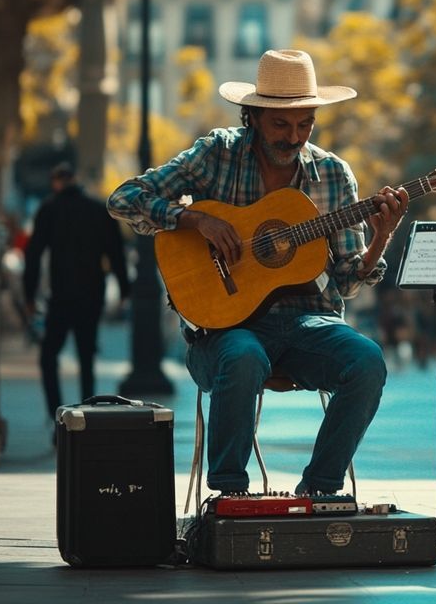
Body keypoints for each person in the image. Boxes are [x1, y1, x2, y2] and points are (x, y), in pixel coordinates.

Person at [107, 49, 408, 496]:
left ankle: (319, 491)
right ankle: (230, 496)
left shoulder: (333, 175)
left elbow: (346, 281)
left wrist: (381, 238)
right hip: (224, 331)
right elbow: (125, 197)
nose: (294, 137)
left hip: (310, 322)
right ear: (253, 116)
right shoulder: (217, 154)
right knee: (244, 355)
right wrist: (194, 220)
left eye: (305, 124)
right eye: (281, 125)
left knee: (367, 362)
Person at [24, 162, 130, 430]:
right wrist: (124, 290)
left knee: (49, 356)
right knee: (86, 357)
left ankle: (57, 416)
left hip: (61, 296)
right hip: (91, 294)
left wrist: (29, 294)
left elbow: (34, 254)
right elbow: (115, 252)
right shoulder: (97, 209)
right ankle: (86, 415)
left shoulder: (48, 209)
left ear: (55, 182)